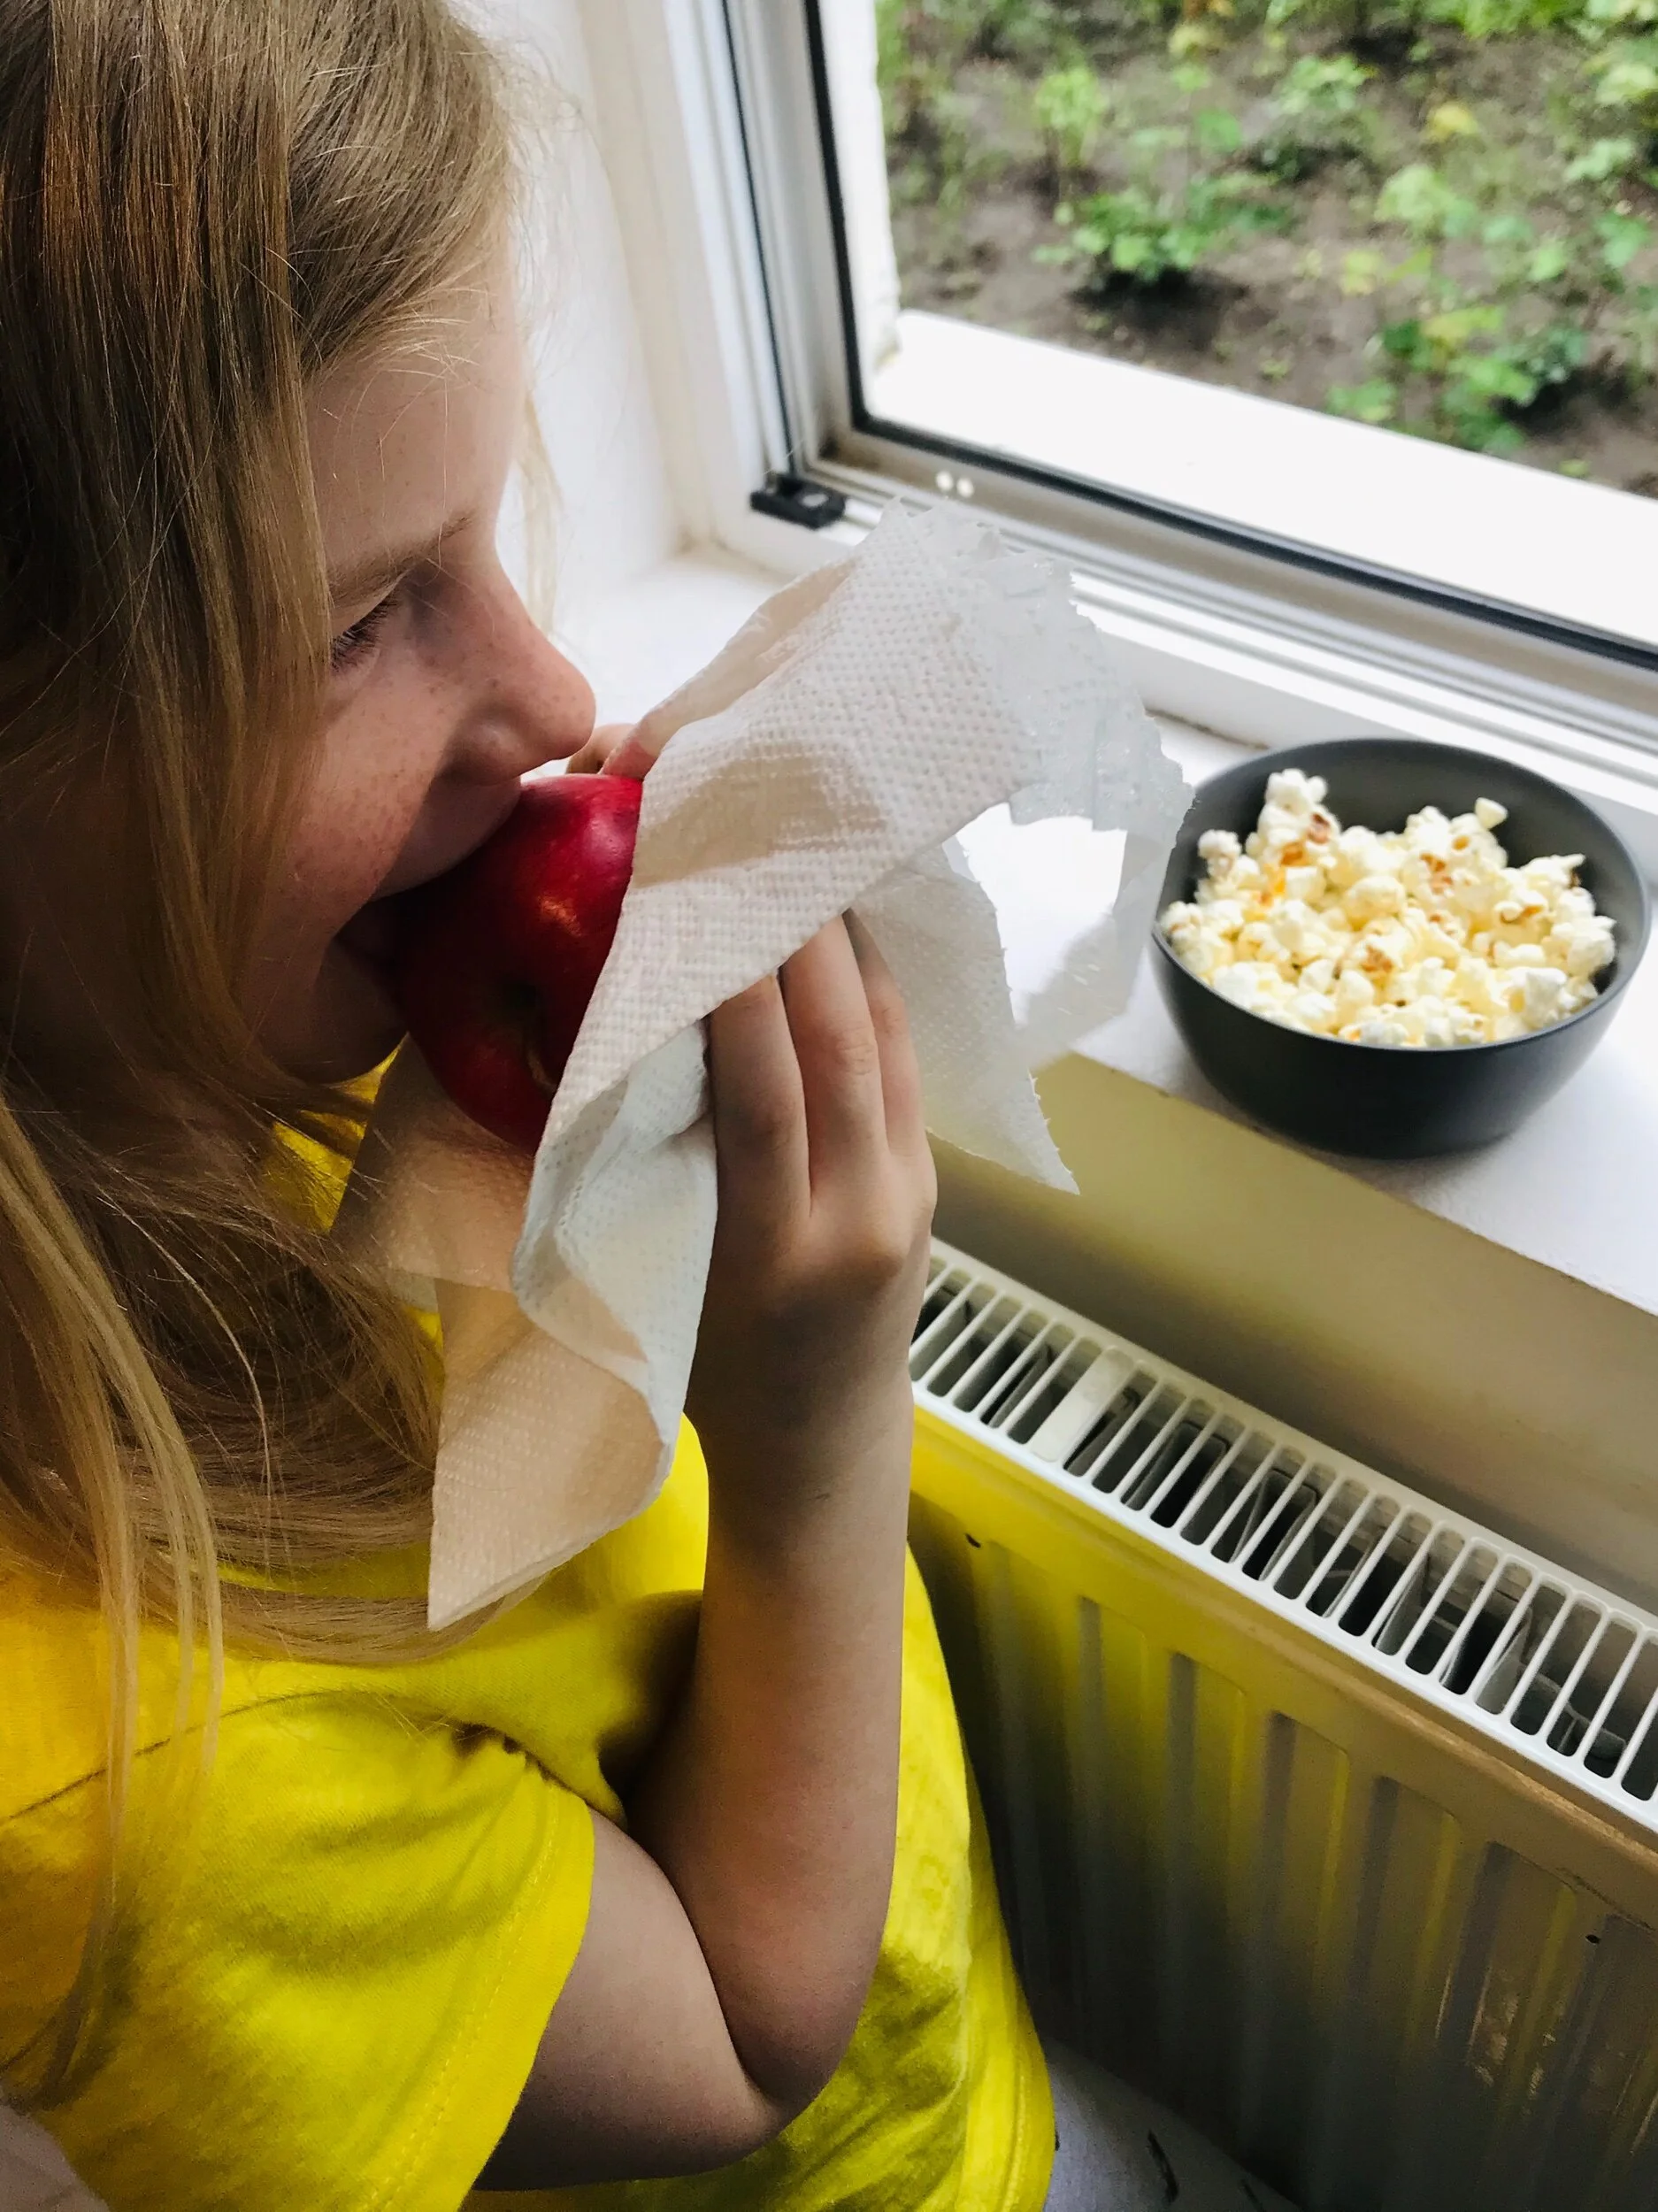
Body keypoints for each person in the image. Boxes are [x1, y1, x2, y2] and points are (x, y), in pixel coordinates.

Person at [0, 4, 1294, 2207]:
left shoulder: (210, 1031)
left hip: (952, 2037)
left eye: (488, 536)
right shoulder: (124, 1782)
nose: (553, 696)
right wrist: (806, 1424)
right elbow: (724, 2037)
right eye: (357, 626)